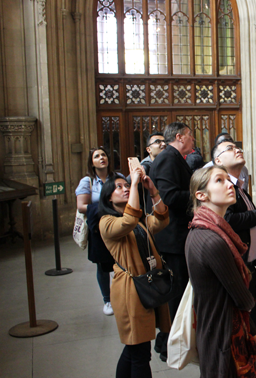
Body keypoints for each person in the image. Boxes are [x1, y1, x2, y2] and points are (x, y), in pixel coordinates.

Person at [186, 166, 256, 378]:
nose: (230, 184)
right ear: (201, 195)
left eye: (228, 180)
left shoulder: (204, 228)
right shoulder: (212, 239)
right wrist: (253, 330)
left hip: (216, 326)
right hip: (223, 332)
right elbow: (241, 296)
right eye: (219, 181)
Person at [98, 161, 170, 378]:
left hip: (147, 286)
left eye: (126, 185)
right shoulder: (107, 222)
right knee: (140, 352)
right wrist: (136, 181)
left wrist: (153, 191)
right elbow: (129, 219)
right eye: (119, 187)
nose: (126, 188)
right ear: (108, 197)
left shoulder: (139, 223)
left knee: (133, 349)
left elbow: (161, 220)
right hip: (130, 291)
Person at [213, 139, 256, 328]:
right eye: (229, 149)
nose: (237, 150)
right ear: (218, 161)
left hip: (247, 263)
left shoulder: (239, 187)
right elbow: (227, 219)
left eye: (237, 147)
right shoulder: (223, 189)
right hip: (235, 263)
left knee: (250, 316)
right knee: (242, 319)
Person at [149, 122, 194, 360]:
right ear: (179, 137)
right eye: (190, 136)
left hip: (177, 235)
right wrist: (199, 193)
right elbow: (168, 197)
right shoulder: (168, 158)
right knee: (176, 292)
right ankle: (169, 344)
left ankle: (167, 341)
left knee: (178, 291)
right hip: (173, 236)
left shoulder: (175, 158)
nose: (193, 140)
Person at [75, 146, 123, 316]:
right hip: (98, 228)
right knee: (102, 265)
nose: (102, 158)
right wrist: (105, 207)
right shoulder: (87, 181)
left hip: (118, 225)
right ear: (92, 162)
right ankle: (107, 299)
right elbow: (81, 206)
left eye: (104, 155)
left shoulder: (118, 178)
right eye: (97, 156)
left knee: (121, 260)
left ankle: (122, 295)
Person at [140, 132, 166, 214]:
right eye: (158, 142)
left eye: (165, 141)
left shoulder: (168, 163)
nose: (163, 144)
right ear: (148, 149)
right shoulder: (145, 166)